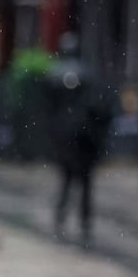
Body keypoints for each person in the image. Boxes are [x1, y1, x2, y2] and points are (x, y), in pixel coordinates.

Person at [44, 32, 114, 248]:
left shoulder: (55, 74)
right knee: (84, 182)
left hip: (64, 134)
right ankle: (83, 221)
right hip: (82, 135)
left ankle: (61, 215)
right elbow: (99, 106)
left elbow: (47, 107)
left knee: (66, 179)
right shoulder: (88, 73)